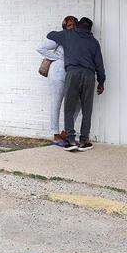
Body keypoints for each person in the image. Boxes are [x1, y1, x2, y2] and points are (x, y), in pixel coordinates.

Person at [47, 17, 105, 152]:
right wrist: (101, 82)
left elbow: (50, 35)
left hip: (72, 74)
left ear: (78, 26)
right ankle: (84, 141)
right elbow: (100, 65)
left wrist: (64, 28)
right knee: (87, 109)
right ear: (90, 29)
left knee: (69, 107)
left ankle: (71, 140)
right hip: (89, 75)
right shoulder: (94, 42)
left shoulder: (69, 35)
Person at [38, 16, 78, 148]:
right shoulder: (61, 37)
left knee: (75, 102)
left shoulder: (77, 38)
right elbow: (41, 48)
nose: (72, 27)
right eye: (69, 25)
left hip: (69, 72)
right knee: (56, 101)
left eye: (74, 25)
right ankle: (55, 134)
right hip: (57, 72)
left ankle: (66, 133)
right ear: (65, 27)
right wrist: (58, 58)